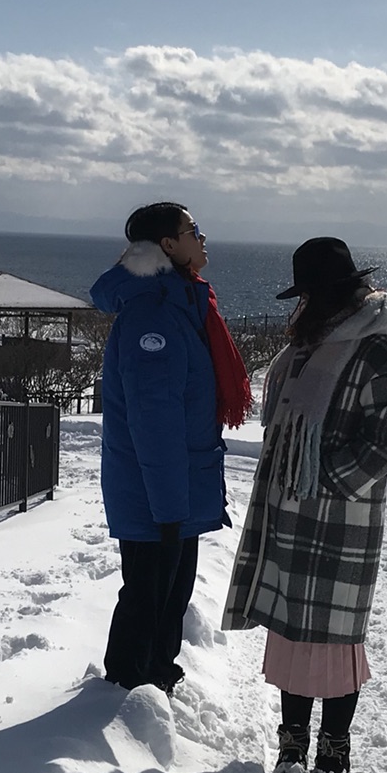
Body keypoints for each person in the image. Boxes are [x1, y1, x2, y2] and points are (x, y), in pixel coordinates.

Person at [221, 237, 387, 773]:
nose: (303, 306)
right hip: (291, 509)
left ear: (337, 294)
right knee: (292, 631)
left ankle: (333, 755)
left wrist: (327, 481)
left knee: (335, 638)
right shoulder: (308, 348)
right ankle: (292, 745)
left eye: (310, 295)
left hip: (340, 518)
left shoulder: (376, 350)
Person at [90, 202, 252, 693]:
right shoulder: (154, 313)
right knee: (149, 597)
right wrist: (165, 511)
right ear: (167, 245)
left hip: (172, 488)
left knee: (167, 596)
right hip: (157, 493)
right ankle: (127, 694)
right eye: (193, 230)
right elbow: (153, 418)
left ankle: (154, 681)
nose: (203, 239)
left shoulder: (179, 301)